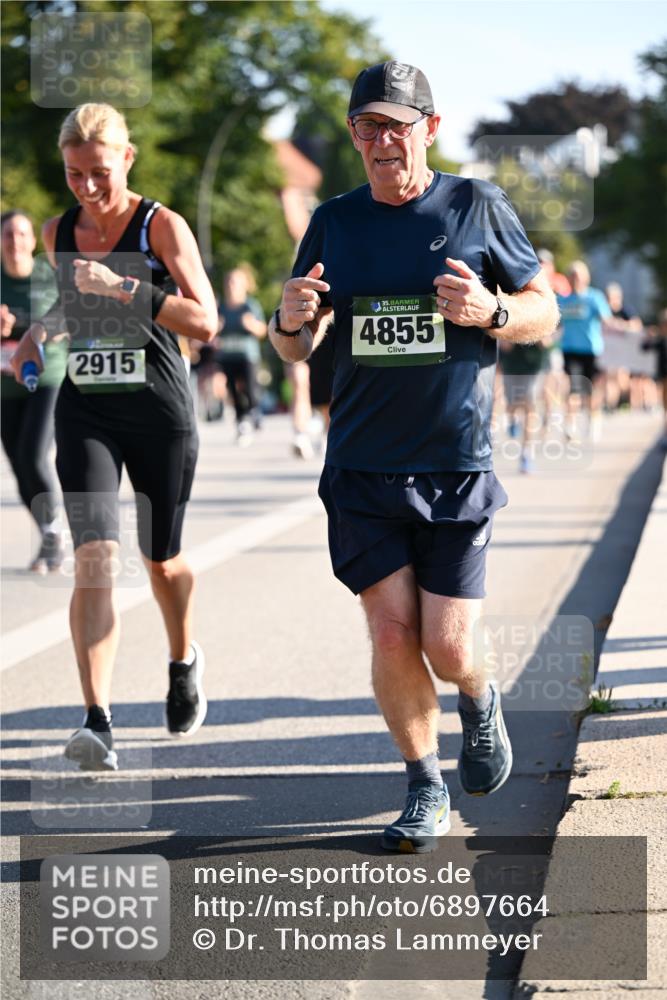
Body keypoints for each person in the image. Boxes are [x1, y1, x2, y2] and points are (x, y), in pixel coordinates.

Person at [269, 62, 559, 853]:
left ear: (430, 129)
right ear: (355, 136)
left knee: (449, 643)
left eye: (397, 125)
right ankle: (422, 785)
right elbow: (295, 341)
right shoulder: (334, 219)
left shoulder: (476, 205)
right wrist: (289, 321)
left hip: (454, 462)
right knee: (392, 633)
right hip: (362, 464)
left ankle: (478, 693)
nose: (382, 141)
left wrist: (493, 309)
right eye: (367, 126)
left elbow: (544, 309)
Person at [11, 103, 218, 770]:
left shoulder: (162, 225)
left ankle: (183, 656)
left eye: (98, 172)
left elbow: (205, 321)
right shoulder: (58, 230)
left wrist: (126, 286)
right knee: (94, 557)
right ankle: (97, 721)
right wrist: (38, 335)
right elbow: (72, 305)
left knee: (162, 561)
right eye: (74, 174)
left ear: (126, 159)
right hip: (88, 409)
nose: (87, 188)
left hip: (159, 409)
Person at [1, 210, 67, 572]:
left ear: (32, 240)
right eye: (8, 234)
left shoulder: (49, 276)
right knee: (18, 465)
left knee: (32, 454)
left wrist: (22, 325)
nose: (15, 242)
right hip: (6, 386)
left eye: (22, 234)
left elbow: (70, 320)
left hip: (48, 378)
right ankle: (48, 532)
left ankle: (54, 534)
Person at [557, 261, 611, 441]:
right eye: (572, 276)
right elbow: (556, 325)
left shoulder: (594, 297)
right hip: (570, 349)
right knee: (573, 387)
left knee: (590, 389)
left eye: (578, 276)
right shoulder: (562, 300)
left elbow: (606, 320)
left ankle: (593, 419)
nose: (575, 280)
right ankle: (570, 424)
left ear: (586, 278)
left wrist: (626, 329)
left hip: (591, 350)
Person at [216, 264, 267, 446]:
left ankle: (254, 413)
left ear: (244, 285)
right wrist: (217, 327)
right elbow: (213, 330)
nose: (231, 285)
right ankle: (241, 422)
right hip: (227, 355)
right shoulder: (221, 307)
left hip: (247, 356)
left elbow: (263, 330)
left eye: (235, 282)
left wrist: (251, 324)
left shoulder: (250, 306)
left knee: (250, 388)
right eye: (229, 282)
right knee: (233, 390)